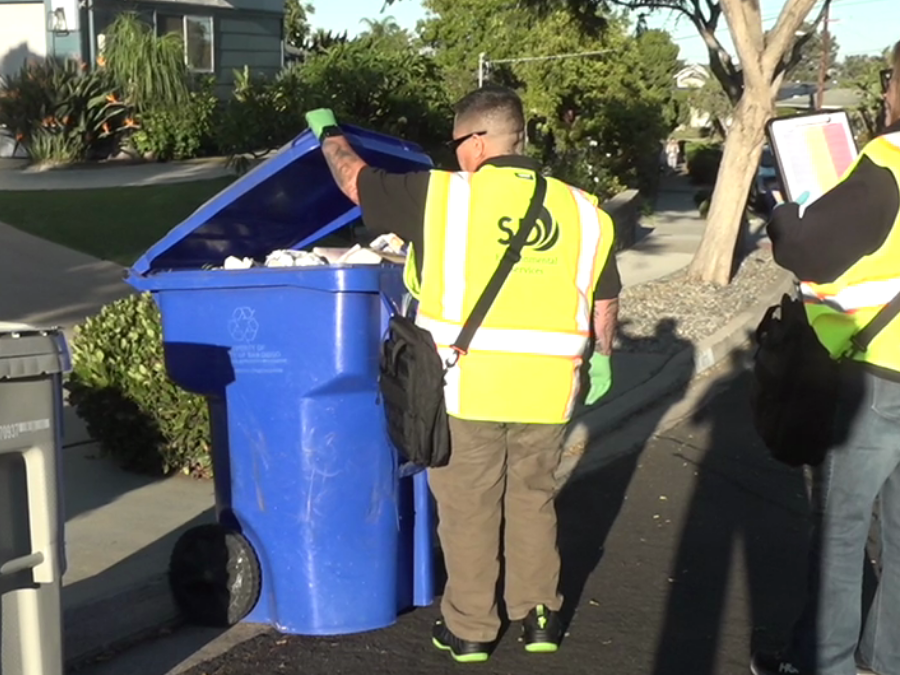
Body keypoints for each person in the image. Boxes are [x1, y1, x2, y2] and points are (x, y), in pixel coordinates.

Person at [303, 85, 621, 663]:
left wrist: (328, 132)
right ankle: (539, 615)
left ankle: (471, 628)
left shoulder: (442, 196)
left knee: (469, 510)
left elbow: (353, 180)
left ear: (476, 142)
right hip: (550, 391)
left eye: (455, 145)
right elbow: (605, 299)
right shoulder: (584, 211)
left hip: (468, 388)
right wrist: (601, 354)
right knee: (532, 499)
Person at [750, 41, 900, 675]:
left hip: (878, 381)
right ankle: (884, 659)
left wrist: (785, 214)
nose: (885, 90)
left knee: (841, 535)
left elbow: (809, 251)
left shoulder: (887, 163)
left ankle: (822, 663)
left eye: (890, 78)